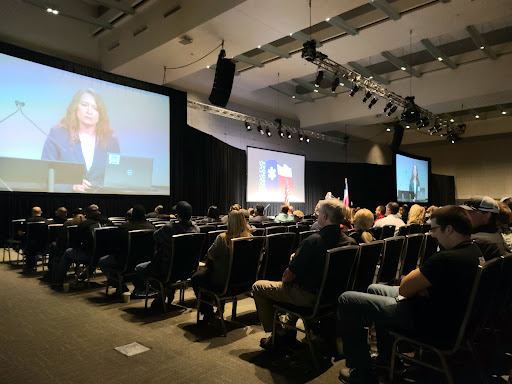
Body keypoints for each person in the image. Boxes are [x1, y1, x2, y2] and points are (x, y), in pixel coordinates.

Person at [337, 206, 482, 384]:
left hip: (431, 323)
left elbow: (405, 288)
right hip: (448, 316)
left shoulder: (446, 258)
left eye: (434, 229)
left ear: (449, 229)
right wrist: (421, 287)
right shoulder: (474, 251)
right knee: (374, 288)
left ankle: (361, 371)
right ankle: (387, 360)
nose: (432, 234)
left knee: (347, 299)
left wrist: (417, 285)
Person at [252, 199, 356, 350]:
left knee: (258, 286)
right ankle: (288, 329)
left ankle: (278, 334)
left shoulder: (312, 242)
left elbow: (287, 277)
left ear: (325, 216)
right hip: (333, 297)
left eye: (318, 213)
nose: (317, 216)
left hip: (309, 297)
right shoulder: (350, 242)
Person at [41, 88, 120, 193]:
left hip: (100, 202)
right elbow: (44, 174)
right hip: (66, 201)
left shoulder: (111, 141)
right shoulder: (57, 135)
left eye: (95, 108)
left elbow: (116, 178)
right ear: (75, 107)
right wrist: (71, 187)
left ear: (100, 114)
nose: (89, 111)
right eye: (84, 105)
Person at [133, 201, 199, 309]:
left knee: (139, 268)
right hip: (187, 270)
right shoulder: (196, 229)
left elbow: (155, 236)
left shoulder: (169, 228)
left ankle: (162, 290)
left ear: (177, 216)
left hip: (167, 269)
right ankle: (165, 290)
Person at [191, 210, 252, 322]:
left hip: (223, 282)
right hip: (243, 282)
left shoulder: (222, 238)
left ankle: (208, 310)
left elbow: (210, 255)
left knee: (196, 278)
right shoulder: (250, 238)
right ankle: (217, 306)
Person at [97, 204, 155, 296]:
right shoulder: (152, 228)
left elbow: (114, 246)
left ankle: (121, 287)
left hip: (126, 262)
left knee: (102, 262)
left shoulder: (125, 227)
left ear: (133, 215)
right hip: (145, 261)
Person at [52, 204, 112, 289]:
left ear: (87, 214)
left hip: (90, 256)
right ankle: (83, 277)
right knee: (96, 253)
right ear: (99, 212)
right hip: (105, 256)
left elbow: (76, 243)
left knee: (68, 252)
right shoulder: (108, 222)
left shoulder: (84, 224)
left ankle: (57, 282)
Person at [461, 196, 510, 261]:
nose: (465, 215)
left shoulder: (477, 241)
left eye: (470, 212)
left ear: (487, 215)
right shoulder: (495, 235)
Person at [22, 206, 47, 273]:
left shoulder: (27, 221)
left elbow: (21, 232)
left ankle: (29, 266)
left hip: (30, 246)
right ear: (41, 212)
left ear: (32, 212)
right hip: (44, 245)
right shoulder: (46, 221)